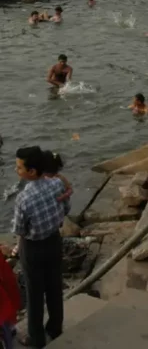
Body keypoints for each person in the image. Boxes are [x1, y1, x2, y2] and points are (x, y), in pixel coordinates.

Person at [11, 146, 69, 347]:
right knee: (54, 287)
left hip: (33, 249)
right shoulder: (56, 184)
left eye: (19, 168)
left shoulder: (23, 199)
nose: (16, 170)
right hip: (53, 241)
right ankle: (55, 328)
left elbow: (19, 229)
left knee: (34, 295)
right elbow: (66, 207)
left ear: (32, 172)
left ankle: (36, 339)